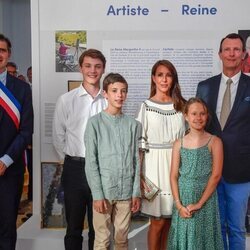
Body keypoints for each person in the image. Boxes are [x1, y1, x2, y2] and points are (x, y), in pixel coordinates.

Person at [196, 33, 250, 250]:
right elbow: (199, 126)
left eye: (236, 49)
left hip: (242, 172)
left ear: (244, 54)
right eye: (227, 49)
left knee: (236, 227)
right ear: (220, 54)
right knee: (215, 227)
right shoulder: (205, 87)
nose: (231, 54)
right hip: (210, 172)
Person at [53, 48, 106, 250]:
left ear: (103, 69)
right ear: (80, 68)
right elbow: (58, 137)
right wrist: (70, 162)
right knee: (73, 228)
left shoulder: (110, 100)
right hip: (74, 169)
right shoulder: (66, 100)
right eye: (88, 66)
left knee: (99, 228)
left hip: (101, 170)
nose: (92, 71)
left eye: (97, 66)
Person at [84, 73, 141, 249]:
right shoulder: (94, 123)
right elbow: (91, 162)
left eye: (123, 91)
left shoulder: (134, 125)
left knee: (122, 238)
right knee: (102, 239)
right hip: (104, 192)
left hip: (126, 192)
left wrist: (136, 192)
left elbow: (137, 160)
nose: (119, 95)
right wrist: (97, 194)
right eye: (115, 91)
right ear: (105, 94)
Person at [136, 60, 186, 250]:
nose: (164, 79)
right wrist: (139, 177)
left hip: (176, 167)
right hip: (154, 168)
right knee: (157, 223)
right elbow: (139, 145)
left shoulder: (182, 106)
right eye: (160, 75)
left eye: (168, 75)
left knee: (171, 222)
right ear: (153, 78)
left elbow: (188, 140)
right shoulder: (146, 106)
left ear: (173, 79)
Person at [167, 97, 224, 250]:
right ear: (186, 116)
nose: (198, 118)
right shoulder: (179, 143)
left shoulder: (215, 142)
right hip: (183, 199)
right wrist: (178, 205)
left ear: (207, 116)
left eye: (202, 114)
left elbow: (216, 175)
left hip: (205, 198)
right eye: (194, 114)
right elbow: (173, 175)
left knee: (203, 238)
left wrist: (199, 203)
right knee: (184, 237)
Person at [0, 34, 33, 250]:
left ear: (8, 54)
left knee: (6, 228)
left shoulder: (21, 89)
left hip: (9, 170)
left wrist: (5, 160)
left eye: (2, 50)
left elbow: (26, 131)